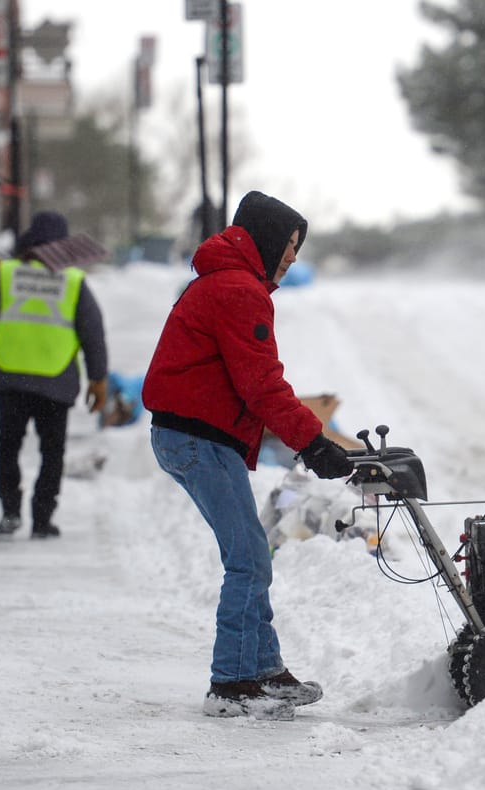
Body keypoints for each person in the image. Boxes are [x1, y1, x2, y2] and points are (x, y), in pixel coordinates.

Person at [142, 191, 354, 721]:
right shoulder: (240, 291)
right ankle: (232, 682)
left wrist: (310, 439)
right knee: (248, 558)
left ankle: (263, 669)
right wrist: (313, 442)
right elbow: (261, 384)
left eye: (298, 248)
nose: (292, 257)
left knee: (252, 552)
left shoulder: (229, 283)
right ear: (263, 239)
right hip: (198, 437)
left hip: (193, 434)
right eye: (288, 245)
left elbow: (254, 384)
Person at [0, 210, 108, 538]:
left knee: (8, 445)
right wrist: (97, 379)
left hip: (10, 376)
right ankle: (42, 519)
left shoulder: (7, 274)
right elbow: (93, 333)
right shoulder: (74, 282)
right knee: (52, 451)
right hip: (55, 380)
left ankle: (9, 513)